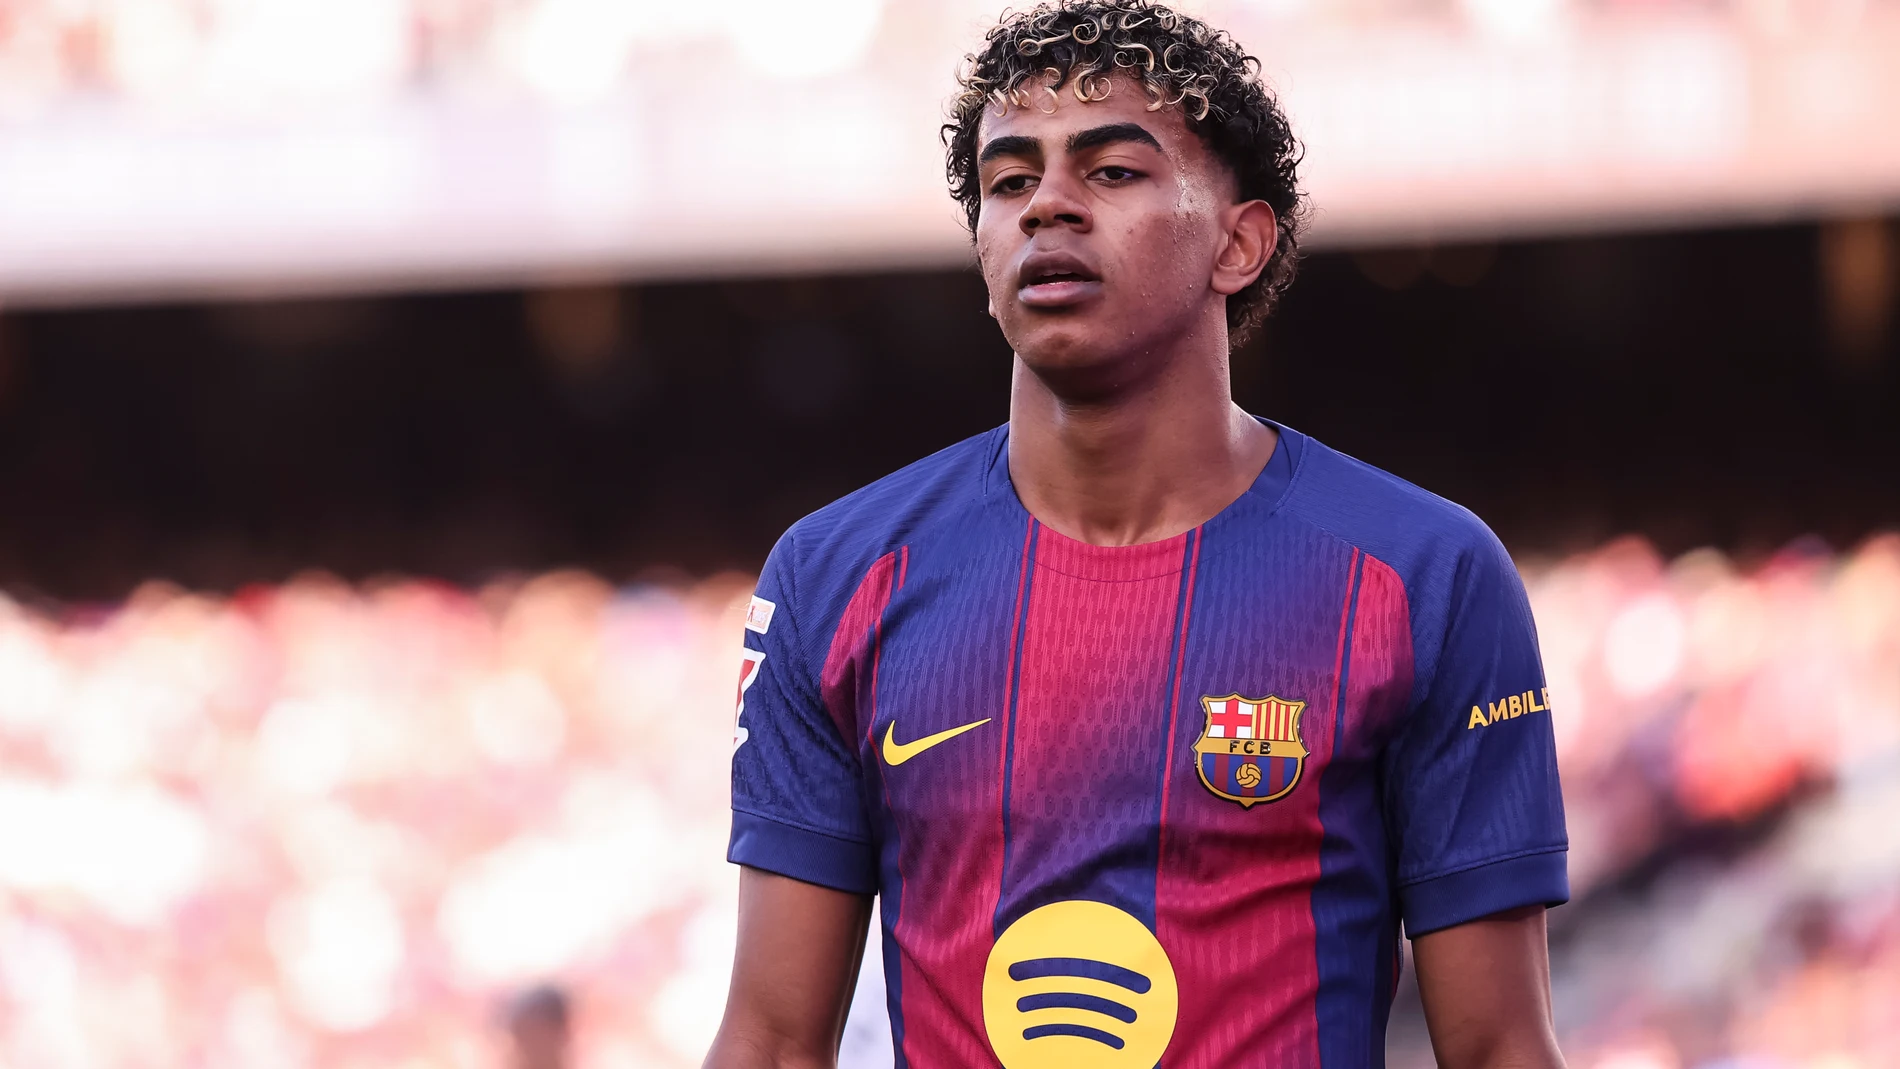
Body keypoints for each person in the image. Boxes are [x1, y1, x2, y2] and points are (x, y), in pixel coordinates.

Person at [706, 3, 1568, 1067]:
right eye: (1008, 181)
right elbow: (770, 1040)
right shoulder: (833, 578)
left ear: (1238, 242)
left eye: (1111, 171)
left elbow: (1499, 1047)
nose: (1046, 205)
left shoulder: (1424, 575)